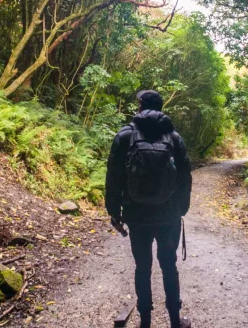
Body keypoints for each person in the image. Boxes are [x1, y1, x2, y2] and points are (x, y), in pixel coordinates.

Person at [106, 90, 193, 328]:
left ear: (141, 107)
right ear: (161, 108)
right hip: (168, 215)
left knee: (142, 267)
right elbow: (185, 176)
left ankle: (145, 321)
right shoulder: (174, 138)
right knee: (168, 265)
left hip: (137, 214)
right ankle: (175, 320)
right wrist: (181, 208)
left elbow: (113, 176)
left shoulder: (125, 135)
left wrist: (114, 210)